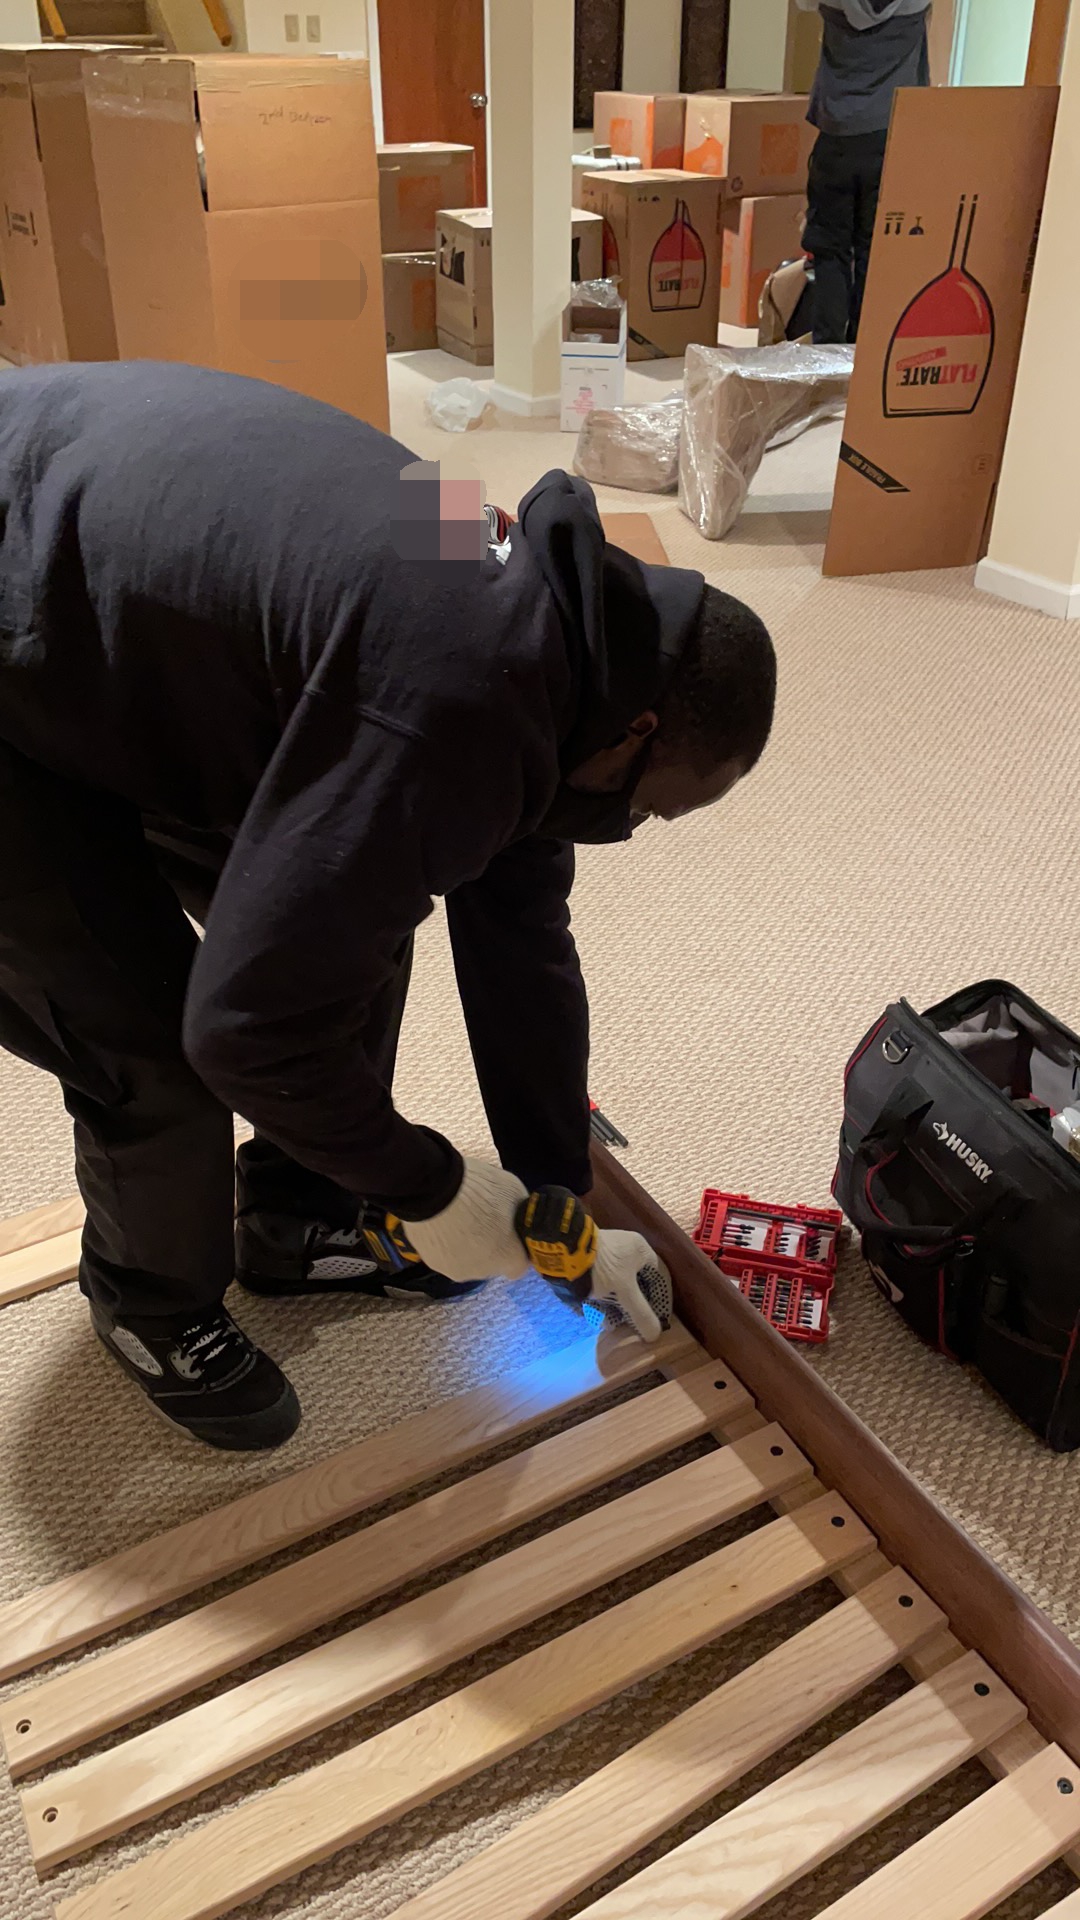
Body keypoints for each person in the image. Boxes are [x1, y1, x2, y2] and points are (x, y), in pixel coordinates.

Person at [0, 362, 776, 1451]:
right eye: (650, 805)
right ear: (639, 732)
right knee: (154, 1041)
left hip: (98, 615)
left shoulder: (553, 620)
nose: (631, 825)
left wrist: (559, 1198)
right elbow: (244, 1032)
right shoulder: (456, 702)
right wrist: (432, 1187)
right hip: (22, 612)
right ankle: (152, 1305)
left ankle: (296, 1215)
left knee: (348, 933)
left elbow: (523, 948)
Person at [797, 0, 931, 343]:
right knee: (877, 249)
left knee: (830, 250)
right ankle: (864, 350)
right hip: (891, 135)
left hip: (837, 136)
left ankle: (826, 352)